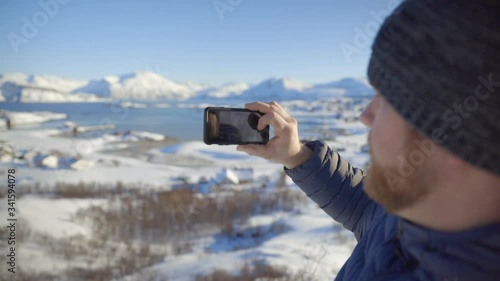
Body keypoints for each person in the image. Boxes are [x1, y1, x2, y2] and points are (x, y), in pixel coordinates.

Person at [237, 0, 500, 280]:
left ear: (452, 135)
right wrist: (297, 156)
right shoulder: (421, 211)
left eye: (385, 100)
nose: (366, 115)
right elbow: (368, 212)